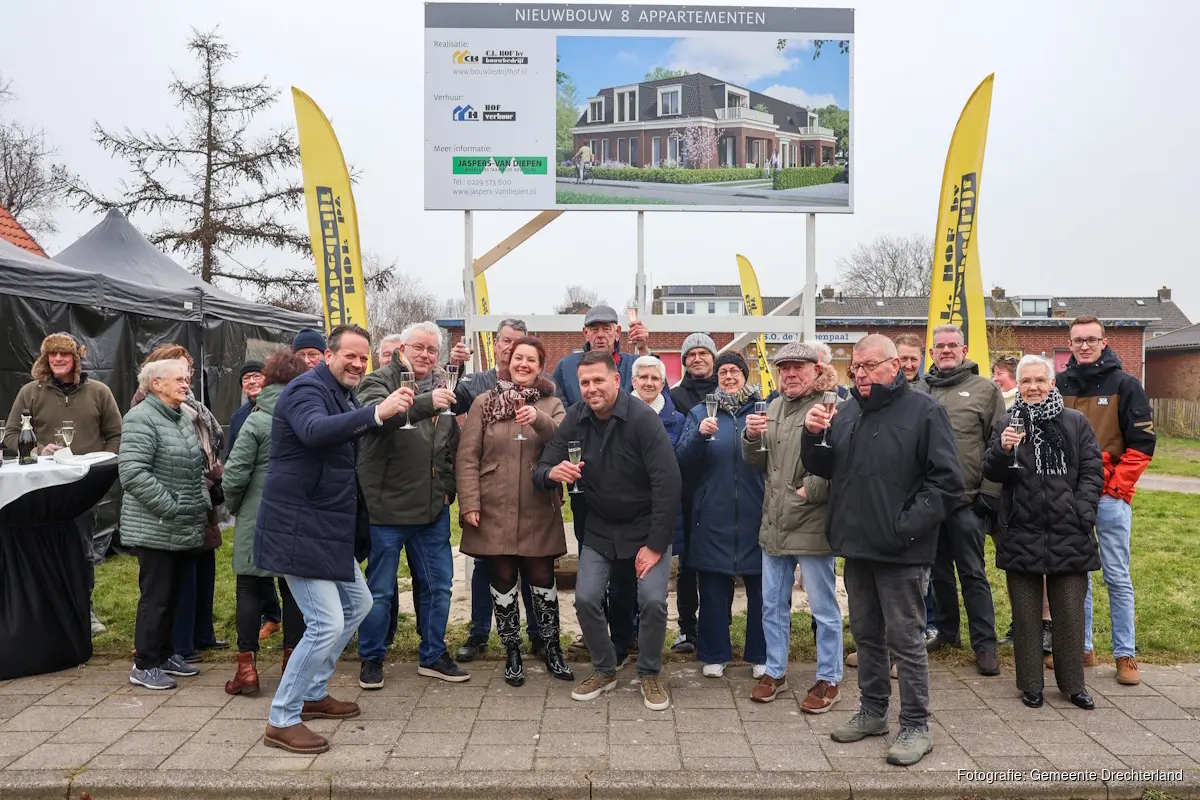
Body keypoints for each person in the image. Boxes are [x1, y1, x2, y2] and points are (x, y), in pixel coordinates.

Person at [802, 334, 962, 767]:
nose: (861, 373)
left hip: (901, 550)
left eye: (870, 366)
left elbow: (947, 483)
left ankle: (916, 725)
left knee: (906, 641)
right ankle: (873, 712)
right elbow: (824, 466)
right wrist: (812, 435)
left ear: (896, 366)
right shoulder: (847, 411)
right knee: (867, 636)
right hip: (856, 548)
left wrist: (904, 527)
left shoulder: (924, 411)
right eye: (856, 367)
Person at [254, 324, 413, 755]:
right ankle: (282, 718)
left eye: (363, 358)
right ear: (328, 355)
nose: (358, 364)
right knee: (326, 623)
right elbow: (314, 431)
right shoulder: (305, 389)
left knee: (359, 604)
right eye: (350, 356)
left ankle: (313, 693)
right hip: (298, 530)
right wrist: (376, 413)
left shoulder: (342, 393)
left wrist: (397, 411)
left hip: (325, 529)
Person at [537, 351, 681, 712]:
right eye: (584, 382)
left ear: (616, 380)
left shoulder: (643, 419)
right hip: (600, 527)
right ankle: (604, 668)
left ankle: (649, 671)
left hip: (646, 528)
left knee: (652, 601)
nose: (591, 388)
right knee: (586, 598)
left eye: (598, 380)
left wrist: (655, 545)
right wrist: (551, 473)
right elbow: (544, 465)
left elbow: (668, 484)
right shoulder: (577, 417)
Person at [982, 355, 1103, 711]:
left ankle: (1073, 685)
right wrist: (1003, 450)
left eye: (1039, 380)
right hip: (1022, 530)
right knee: (1026, 615)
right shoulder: (1008, 423)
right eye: (1025, 381)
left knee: (1069, 612)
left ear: (1052, 383)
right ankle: (1031, 685)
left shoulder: (1075, 422)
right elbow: (991, 472)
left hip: (1070, 531)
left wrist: (1082, 514)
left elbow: (1092, 471)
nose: (1032, 387)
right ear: (1017, 386)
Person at [356, 322, 466, 688]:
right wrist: (426, 403)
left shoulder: (443, 385)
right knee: (381, 592)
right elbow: (377, 418)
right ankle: (372, 657)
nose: (425, 355)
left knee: (439, 586)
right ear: (402, 349)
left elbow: (450, 445)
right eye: (418, 347)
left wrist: (448, 488)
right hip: (387, 510)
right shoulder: (377, 381)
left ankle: (433, 654)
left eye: (432, 350)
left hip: (432, 510)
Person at [457, 337, 573, 687]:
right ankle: (512, 651)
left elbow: (563, 441)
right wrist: (470, 503)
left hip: (538, 503)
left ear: (540, 367)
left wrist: (538, 418)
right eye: (517, 358)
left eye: (531, 360)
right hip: (494, 504)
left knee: (543, 577)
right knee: (502, 578)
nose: (523, 364)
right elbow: (467, 456)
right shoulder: (484, 401)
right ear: (507, 362)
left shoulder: (552, 403)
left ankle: (552, 648)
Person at [743, 342, 844, 708]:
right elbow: (760, 463)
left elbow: (843, 462)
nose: (789, 374)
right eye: (783, 368)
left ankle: (829, 678)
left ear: (816, 369)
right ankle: (775, 671)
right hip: (775, 522)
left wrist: (811, 490)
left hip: (812, 522)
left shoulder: (832, 405)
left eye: (797, 367)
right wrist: (751, 438)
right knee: (772, 605)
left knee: (823, 609)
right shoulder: (773, 406)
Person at [1057, 316, 1155, 686]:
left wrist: (1116, 487)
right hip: (1069, 496)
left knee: (1116, 575)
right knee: (1076, 574)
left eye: (1091, 339)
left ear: (1104, 342)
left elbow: (1143, 443)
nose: (1084, 346)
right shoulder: (1060, 384)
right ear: (1070, 344)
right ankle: (1081, 647)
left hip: (1109, 497)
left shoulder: (1125, 384)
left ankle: (1125, 654)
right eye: (1078, 340)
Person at [3, 331, 122, 636]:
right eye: (52, 354)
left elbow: (116, 436)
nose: (57, 359)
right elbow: (11, 436)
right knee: (41, 551)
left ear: (76, 358)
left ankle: (85, 610)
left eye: (64, 354)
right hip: (40, 490)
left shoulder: (99, 392)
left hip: (83, 488)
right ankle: (42, 614)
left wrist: (101, 468)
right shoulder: (30, 392)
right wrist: (37, 450)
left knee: (82, 550)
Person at [553, 305, 649, 663]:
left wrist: (644, 350)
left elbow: (654, 396)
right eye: (594, 328)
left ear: (617, 332)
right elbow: (563, 412)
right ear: (585, 334)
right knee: (592, 557)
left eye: (607, 327)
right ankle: (595, 627)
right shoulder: (566, 367)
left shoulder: (631, 363)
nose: (600, 333)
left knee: (627, 567)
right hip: (586, 482)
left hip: (629, 483)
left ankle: (628, 630)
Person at [445, 319, 543, 663]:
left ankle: (538, 636)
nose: (511, 348)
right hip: (492, 494)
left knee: (532, 565)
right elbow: (449, 404)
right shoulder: (477, 384)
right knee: (486, 565)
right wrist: (454, 365)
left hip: (530, 494)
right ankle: (479, 633)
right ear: (496, 344)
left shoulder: (543, 388)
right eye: (505, 341)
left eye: (518, 342)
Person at [120, 358, 211, 691]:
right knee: (156, 597)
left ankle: (165, 653)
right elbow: (133, 473)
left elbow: (194, 467)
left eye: (187, 379)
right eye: (180, 379)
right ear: (156, 383)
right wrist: (170, 506)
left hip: (182, 523)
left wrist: (201, 502)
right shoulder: (140, 418)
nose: (187, 384)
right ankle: (144, 664)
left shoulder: (180, 417)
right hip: (156, 524)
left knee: (174, 594)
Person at [222, 349, 309, 696]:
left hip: (256, 516)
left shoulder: (256, 421)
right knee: (293, 591)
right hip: (296, 516)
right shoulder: (307, 418)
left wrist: (238, 508)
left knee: (248, 589)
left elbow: (234, 475)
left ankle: (247, 671)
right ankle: (291, 666)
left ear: (268, 379)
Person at [919, 325, 1004, 676]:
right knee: (938, 572)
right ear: (931, 353)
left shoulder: (985, 390)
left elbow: (999, 443)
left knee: (972, 573)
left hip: (968, 501)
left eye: (953, 345)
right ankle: (947, 632)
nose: (946, 350)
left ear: (964, 350)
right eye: (940, 346)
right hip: (930, 501)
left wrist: (988, 494)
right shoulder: (918, 390)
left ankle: (985, 643)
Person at [675, 352, 766, 679]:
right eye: (723, 372)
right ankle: (714, 653)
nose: (729, 376)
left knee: (761, 589)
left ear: (744, 375)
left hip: (757, 512)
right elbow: (681, 460)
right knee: (712, 587)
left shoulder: (762, 410)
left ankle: (761, 654)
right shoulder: (701, 411)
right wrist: (698, 435)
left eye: (735, 371)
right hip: (712, 512)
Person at [667, 332, 719, 654]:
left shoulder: (727, 390)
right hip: (687, 489)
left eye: (704, 353)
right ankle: (687, 627)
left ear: (713, 358)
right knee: (687, 563)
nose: (698, 358)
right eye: (691, 354)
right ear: (685, 361)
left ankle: (718, 626)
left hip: (719, 486)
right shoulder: (674, 396)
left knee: (717, 561)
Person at [632, 355, 686, 635]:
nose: (649, 383)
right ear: (633, 381)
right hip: (624, 513)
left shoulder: (677, 420)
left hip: (660, 514)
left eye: (655, 378)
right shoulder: (617, 415)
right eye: (644, 377)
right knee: (622, 588)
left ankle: (649, 643)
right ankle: (626, 639)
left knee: (653, 592)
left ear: (663, 384)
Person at [895, 332, 934, 642]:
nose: (908, 364)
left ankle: (923, 629)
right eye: (902, 358)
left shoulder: (929, 397)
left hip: (919, 498)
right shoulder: (875, 396)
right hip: (886, 499)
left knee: (920, 574)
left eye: (913, 359)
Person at [226, 360, 265, 457]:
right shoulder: (238, 417)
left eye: (256, 376)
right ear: (242, 386)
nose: (252, 381)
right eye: (246, 378)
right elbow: (231, 453)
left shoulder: (280, 407)